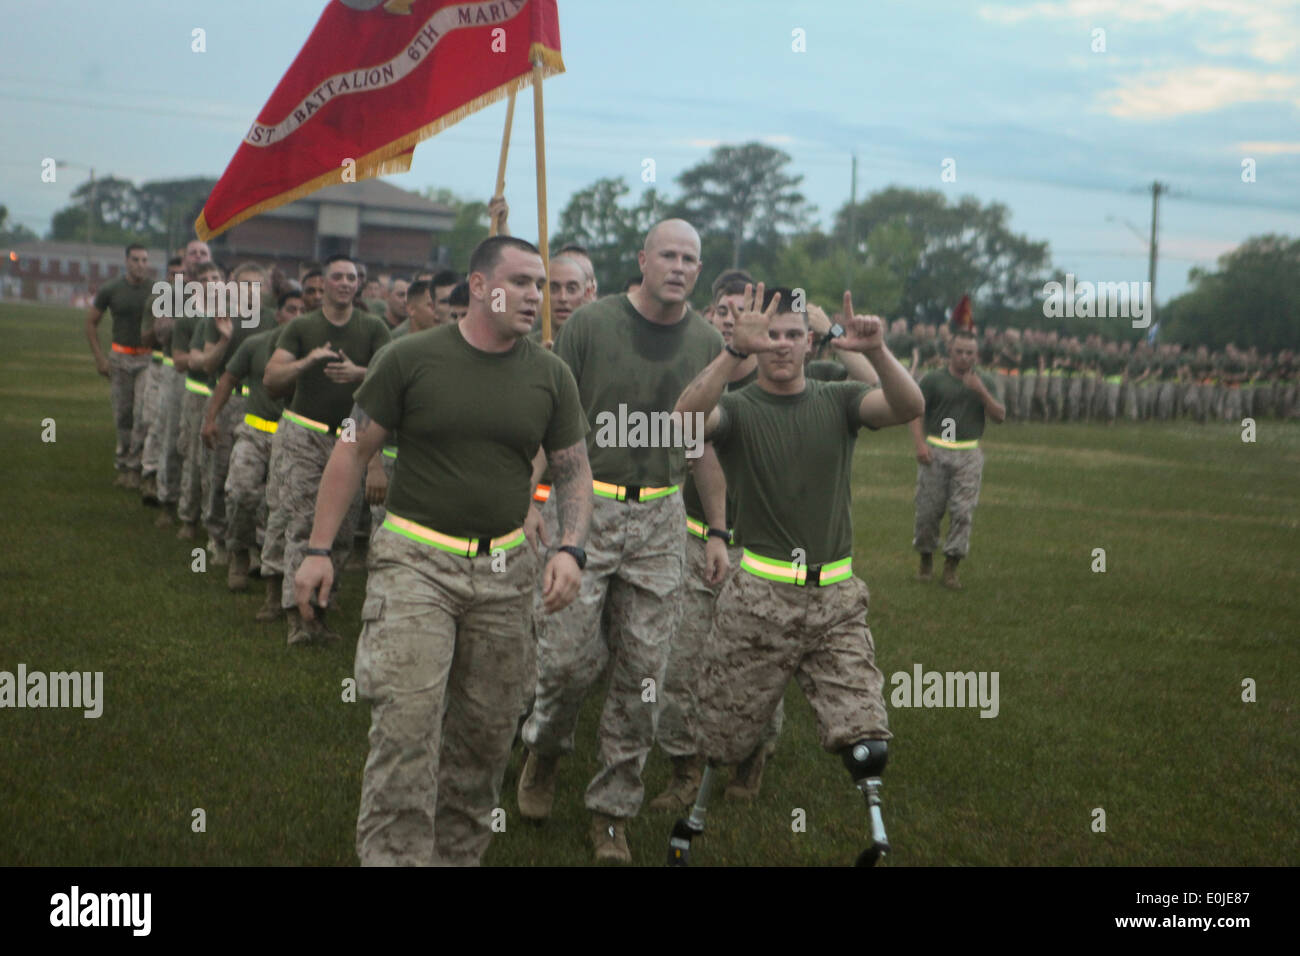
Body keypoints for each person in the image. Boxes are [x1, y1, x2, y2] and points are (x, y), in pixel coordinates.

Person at [293, 235, 592, 866]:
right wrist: (320, 549)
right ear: (481, 288)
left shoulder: (551, 374)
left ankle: (456, 856)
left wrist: (571, 547)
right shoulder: (408, 359)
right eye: (524, 281)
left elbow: (572, 471)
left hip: (507, 570)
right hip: (415, 562)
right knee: (406, 726)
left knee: (485, 737)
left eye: (542, 283)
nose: (537, 295)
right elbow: (351, 449)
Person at [672, 283, 923, 859]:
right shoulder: (737, 411)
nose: (781, 346)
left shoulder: (838, 401)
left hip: (836, 597)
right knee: (721, 731)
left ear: (810, 343)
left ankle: (875, 830)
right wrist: (733, 351)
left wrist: (877, 351)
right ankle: (695, 818)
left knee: (865, 735)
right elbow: (683, 418)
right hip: (759, 595)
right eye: (771, 337)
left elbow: (909, 407)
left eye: (792, 336)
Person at [518, 219, 720, 864]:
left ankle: (611, 814)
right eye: (668, 254)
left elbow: (699, 442)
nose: (680, 266)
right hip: (588, 507)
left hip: (661, 519)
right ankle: (545, 750)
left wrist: (716, 528)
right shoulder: (592, 325)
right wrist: (528, 495)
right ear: (642, 259)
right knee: (567, 660)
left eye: (691, 258)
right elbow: (550, 419)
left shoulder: (710, 340)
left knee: (643, 676)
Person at [263, 253, 391, 645]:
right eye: (337, 277)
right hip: (304, 431)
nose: (345, 283)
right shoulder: (302, 327)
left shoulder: (373, 328)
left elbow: (393, 379)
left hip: (352, 433)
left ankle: (320, 608)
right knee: (303, 521)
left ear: (359, 283)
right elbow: (272, 378)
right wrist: (307, 363)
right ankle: (296, 616)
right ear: (323, 283)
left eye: (352, 277)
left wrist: (360, 374)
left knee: (342, 527)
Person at [204, 289, 303, 593]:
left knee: (282, 505)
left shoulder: (312, 354)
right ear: (278, 314)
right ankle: (238, 553)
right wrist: (211, 419)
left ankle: (271, 562)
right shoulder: (256, 344)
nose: (296, 316)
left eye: (303, 311)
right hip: (254, 431)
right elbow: (228, 379)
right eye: (291, 309)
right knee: (241, 491)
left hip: (294, 438)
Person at [909, 328, 1005, 590]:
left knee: (963, 511)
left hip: (968, 452)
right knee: (928, 511)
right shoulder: (933, 380)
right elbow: (915, 411)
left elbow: (1000, 415)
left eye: (970, 353)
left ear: (977, 354)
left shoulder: (984, 380)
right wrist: (920, 444)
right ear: (950, 351)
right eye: (960, 352)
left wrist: (981, 391)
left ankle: (952, 565)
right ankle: (926, 558)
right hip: (936, 450)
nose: (965, 357)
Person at [86, 243, 154, 488]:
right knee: (123, 415)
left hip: (147, 360)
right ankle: (123, 464)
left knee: (142, 414)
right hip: (120, 359)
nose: (140, 265)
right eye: (136, 260)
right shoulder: (111, 289)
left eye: (145, 260)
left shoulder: (156, 290)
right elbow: (91, 323)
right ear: (126, 261)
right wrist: (100, 358)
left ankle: (137, 467)